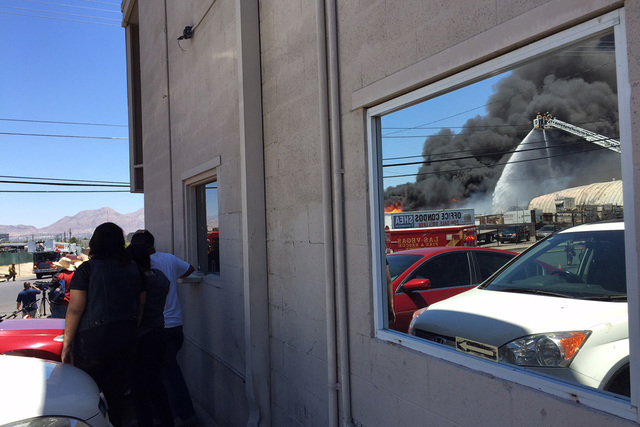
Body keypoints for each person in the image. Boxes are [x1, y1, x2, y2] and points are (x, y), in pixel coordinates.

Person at [61, 222, 146, 427]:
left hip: (93, 342)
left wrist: (67, 343)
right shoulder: (134, 269)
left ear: (95, 242)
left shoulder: (87, 269)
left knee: (90, 393)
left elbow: (75, 309)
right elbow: (141, 304)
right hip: (126, 338)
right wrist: (132, 329)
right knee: (116, 394)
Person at [130, 230, 197, 426]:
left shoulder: (139, 267)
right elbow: (190, 269)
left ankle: (187, 415)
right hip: (175, 324)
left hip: (158, 327)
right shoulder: (169, 259)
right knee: (160, 373)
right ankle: (164, 413)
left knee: (168, 373)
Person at [126, 243, 174, 427]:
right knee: (156, 383)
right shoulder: (160, 277)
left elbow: (139, 308)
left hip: (142, 337)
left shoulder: (137, 282)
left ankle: (145, 421)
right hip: (159, 331)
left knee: (139, 387)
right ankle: (167, 420)